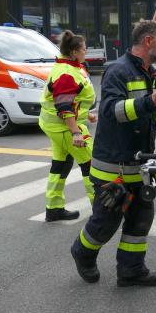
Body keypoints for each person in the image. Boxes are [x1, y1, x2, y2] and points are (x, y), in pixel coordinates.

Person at [70, 21, 156, 287]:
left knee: (140, 219)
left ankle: (131, 271)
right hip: (113, 167)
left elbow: (155, 115)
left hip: (139, 166)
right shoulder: (118, 71)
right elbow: (112, 111)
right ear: (148, 41)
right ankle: (82, 252)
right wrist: (149, 101)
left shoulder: (151, 74)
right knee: (106, 223)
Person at [38, 31, 96, 221]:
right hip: (65, 128)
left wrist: (87, 114)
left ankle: (53, 208)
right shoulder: (66, 73)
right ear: (74, 52)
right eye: (84, 49)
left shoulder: (69, 67)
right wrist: (75, 133)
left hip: (57, 127)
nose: (86, 52)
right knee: (92, 166)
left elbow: (74, 100)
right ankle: (101, 212)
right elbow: (64, 106)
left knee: (60, 165)